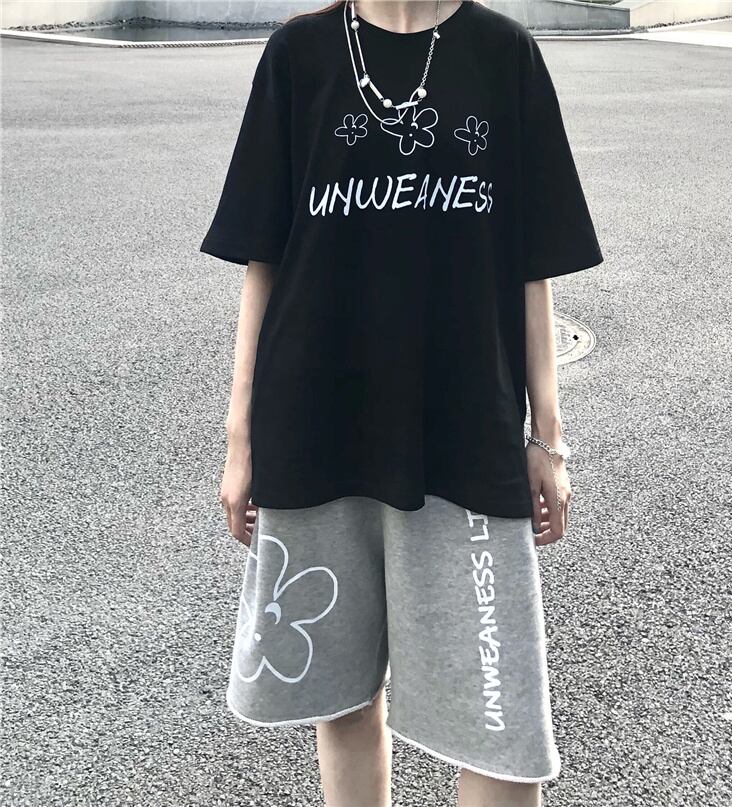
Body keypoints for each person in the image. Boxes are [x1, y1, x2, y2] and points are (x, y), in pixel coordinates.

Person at [199, 1, 603, 805]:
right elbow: (263, 260)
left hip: (467, 435)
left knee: (502, 731)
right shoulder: (299, 56)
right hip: (319, 429)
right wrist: (240, 438)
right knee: (345, 700)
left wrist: (549, 437)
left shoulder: (504, 56)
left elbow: (533, 261)